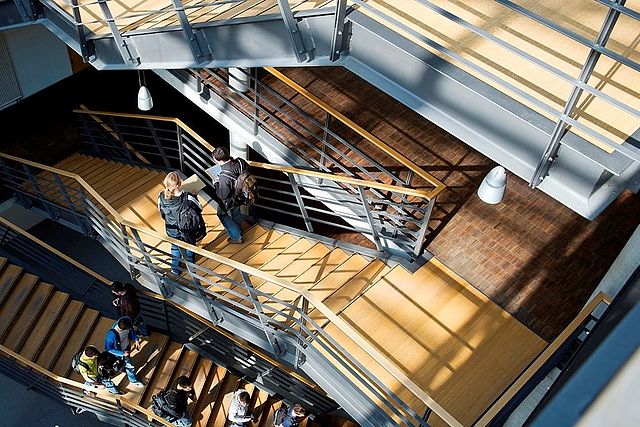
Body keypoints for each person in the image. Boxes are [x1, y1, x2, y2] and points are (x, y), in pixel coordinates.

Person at [158, 171, 200, 274]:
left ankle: (175, 269)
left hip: (171, 229)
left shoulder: (161, 196)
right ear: (178, 184)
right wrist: (195, 196)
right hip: (186, 228)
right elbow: (199, 209)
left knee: (175, 248)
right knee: (190, 246)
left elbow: (161, 212)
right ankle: (190, 265)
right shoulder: (187, 197)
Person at [212, 147, 252, 244]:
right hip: (242, 195)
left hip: (233, 199)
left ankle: (236, 236)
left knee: (222, 214)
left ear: (219, 161)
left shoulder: (224, 177)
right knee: (236, 212)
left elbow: (223, 196)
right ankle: (238, 228)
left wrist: (216, 184)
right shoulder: (240, 161)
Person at [104, 317, 144, 388]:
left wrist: (136, 340)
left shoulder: (126, 320)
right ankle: (134, 381)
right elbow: (109, 349)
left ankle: (122, 368)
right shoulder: (111, 336)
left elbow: (132, 331)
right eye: (129, 328)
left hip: (127, 348)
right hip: (121, 353)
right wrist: (122, 354)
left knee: (125, 364)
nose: (130, 328)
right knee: (130, 366)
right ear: (124, 329)